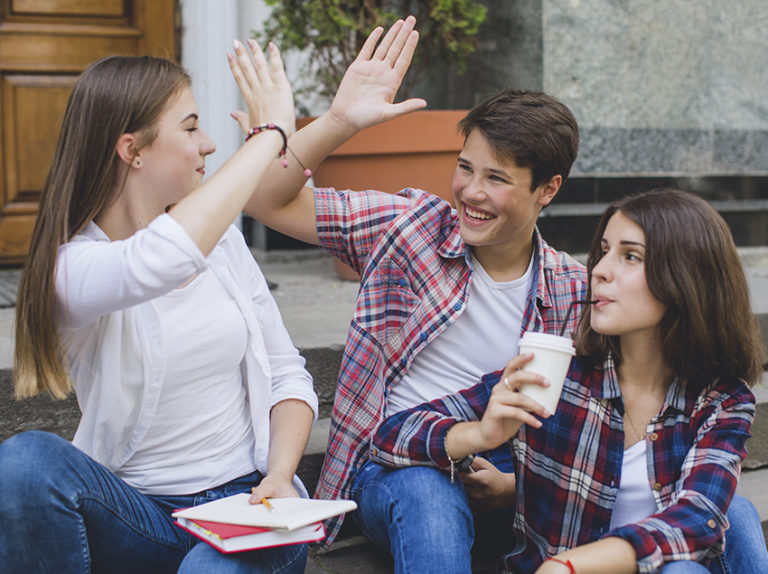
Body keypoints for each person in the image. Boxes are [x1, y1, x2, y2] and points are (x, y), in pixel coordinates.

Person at [237, 14, 586, 569]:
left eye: (496, 179)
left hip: (500, 466)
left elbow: (580, 425)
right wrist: (338, 120)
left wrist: (517, 483)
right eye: (465, 167)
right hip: (396, 464)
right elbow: (263, 200)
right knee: (427, 494)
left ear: (548, 189)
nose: (470, 192)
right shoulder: (410, 227)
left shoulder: (571, 287)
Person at [0, 40, 318, 573]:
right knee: (25, 463)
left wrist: (280, 477)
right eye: (191, 127)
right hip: (140, 515)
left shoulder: (224, 246)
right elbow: (158, 260)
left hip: (249, 504)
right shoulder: (73, 270)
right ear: (133, 150)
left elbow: (287, 374)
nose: (209, 144)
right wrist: (269, 137)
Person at [371, 189, 768, 573]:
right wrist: (479, 434)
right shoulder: (560, 373)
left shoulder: (721, 400)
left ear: (687, 278)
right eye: (603, 251)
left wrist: (571, 564)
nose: (599, 270)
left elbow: (698, 518)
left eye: (630, 256)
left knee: (698, 553)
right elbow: (389, 436)